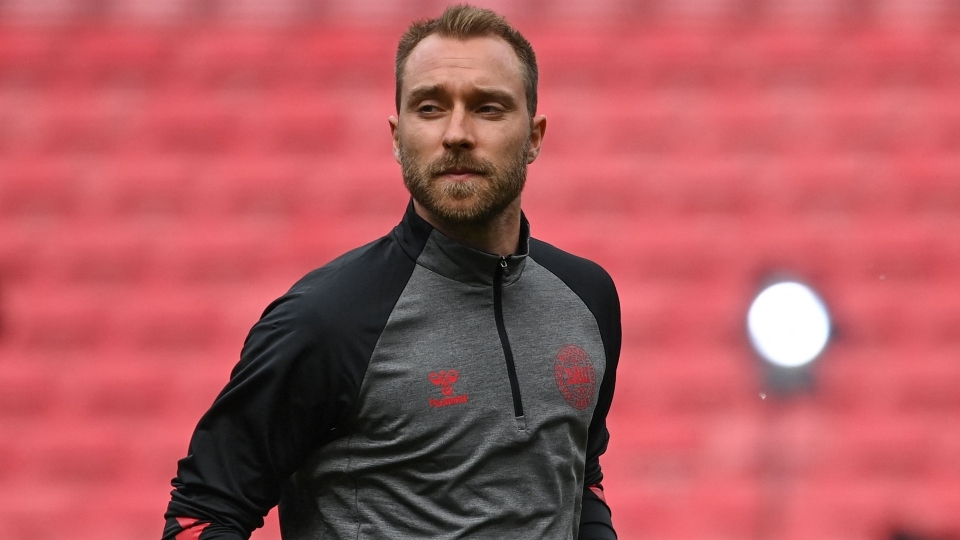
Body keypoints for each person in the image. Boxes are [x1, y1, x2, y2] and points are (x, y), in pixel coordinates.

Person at [162, 5, 620, 539]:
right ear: (397, 136)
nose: (456, 133)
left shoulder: (587, 298)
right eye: (430, 108)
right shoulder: (325, 320)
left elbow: (580, 478)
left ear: (535, 136)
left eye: (488, 108)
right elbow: (202, 514)